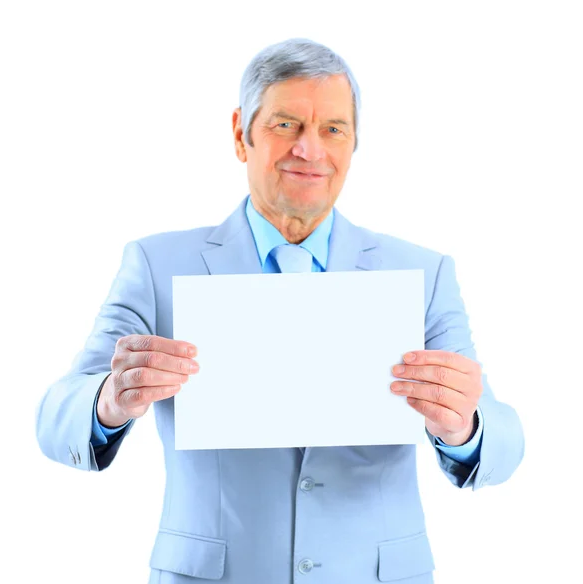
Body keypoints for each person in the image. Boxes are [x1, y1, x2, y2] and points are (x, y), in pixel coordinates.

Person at [36, 37, 525, 584]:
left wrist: (465, 426)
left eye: (333, 129)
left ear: (354, 142)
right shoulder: (157, 265)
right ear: (241, 134)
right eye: (286, 125)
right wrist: (108, 400)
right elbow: (56, 421)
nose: (310, 150)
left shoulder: (423, 274)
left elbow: (503, 445)